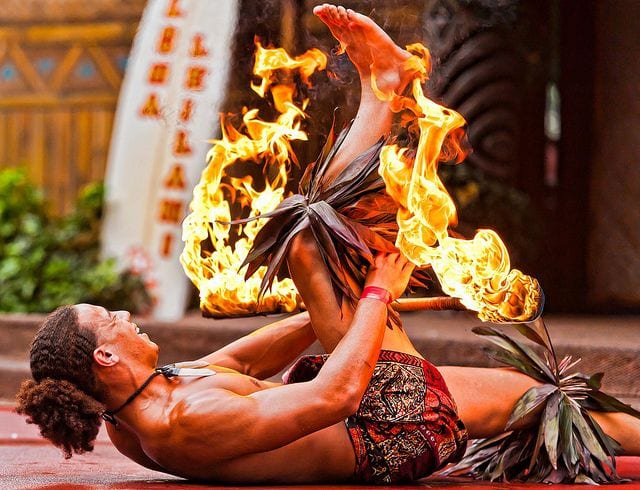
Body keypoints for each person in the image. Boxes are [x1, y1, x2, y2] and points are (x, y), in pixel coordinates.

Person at [16, 4, 640, 485]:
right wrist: (372, 294)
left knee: (538, 401)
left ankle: (384, 86)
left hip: (366, 411)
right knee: (312, 244)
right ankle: (383, 88)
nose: (125, 317)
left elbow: (239, 365)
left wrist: (336, 306)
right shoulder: (181, 423)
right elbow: (334, 396)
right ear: (103, 358)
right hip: (388, 436)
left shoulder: (145, 397)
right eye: (111, 320)